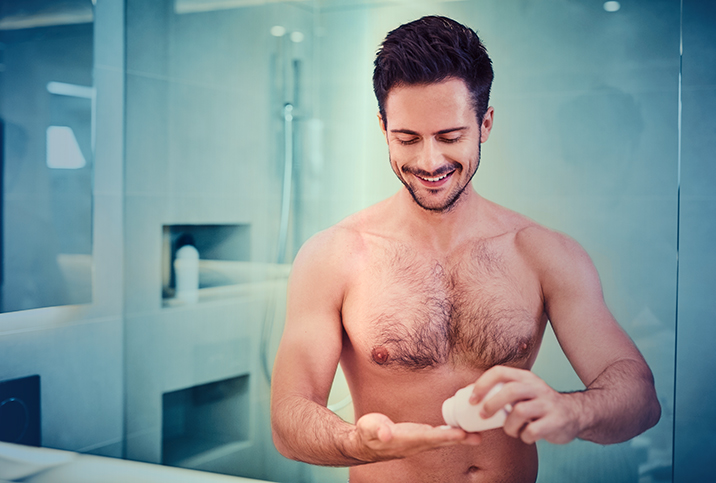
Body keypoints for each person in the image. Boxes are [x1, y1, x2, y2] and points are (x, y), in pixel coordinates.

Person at [270, 15, 661, 483]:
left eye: (450, 137)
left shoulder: (543, 254)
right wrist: (355, 442)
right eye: (407, 139)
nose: (429, 161)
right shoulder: (334, 256)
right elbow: (287, 419)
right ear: (383, 128)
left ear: (485, 124)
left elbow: (640, 399)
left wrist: (571, 411)